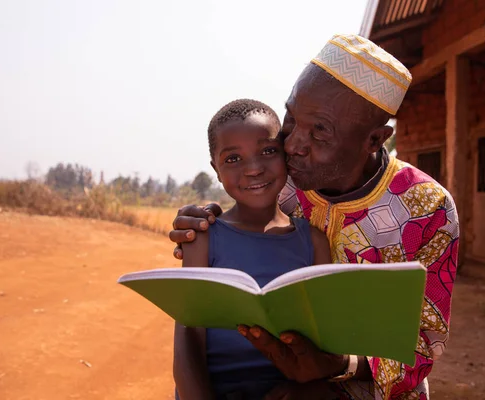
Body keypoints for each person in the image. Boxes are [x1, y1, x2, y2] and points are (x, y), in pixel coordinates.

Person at [170, 34, 459, 399]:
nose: (292, 144)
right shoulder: (284, 178)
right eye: (291, 118)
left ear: (374, 140)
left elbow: (423, 342)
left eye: (319, 131)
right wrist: (202, 221)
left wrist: (339, 367)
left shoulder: (426, 207)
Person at [173, 98, 334, 400]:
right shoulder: (204, 237)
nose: (254, 169)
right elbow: (188, 340)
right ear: (216, 170)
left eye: (268, 151)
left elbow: (322, 342)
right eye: (233, 159)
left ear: (285, 154)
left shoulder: (312, 241)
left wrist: (309, 388)